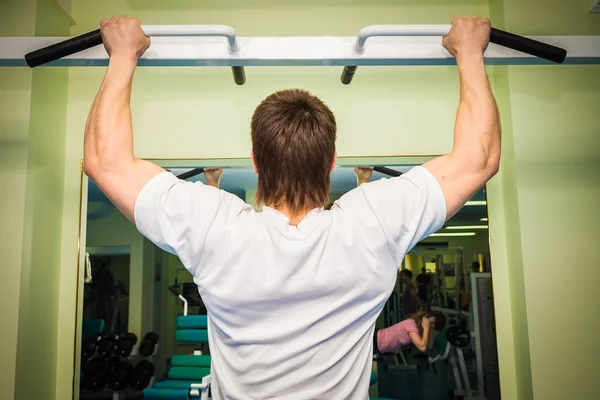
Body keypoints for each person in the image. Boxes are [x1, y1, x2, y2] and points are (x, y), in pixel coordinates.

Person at [83, 15, 500, 399]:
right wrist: (468, 52)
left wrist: (122, 55)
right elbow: (478, 159)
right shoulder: (373, 224)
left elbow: (105, 161)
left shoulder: (216, 229)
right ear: (332, 159)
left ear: (256, 160)